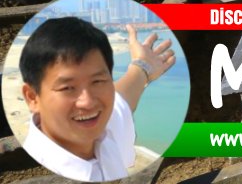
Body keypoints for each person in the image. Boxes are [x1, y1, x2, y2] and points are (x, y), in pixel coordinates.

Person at [18, 17, 177, 182]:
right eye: (67, 88)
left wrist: (142, 66)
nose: (87, 102)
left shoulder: (103, 132)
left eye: (97, 81)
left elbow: (121, 100)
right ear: (32, 97)